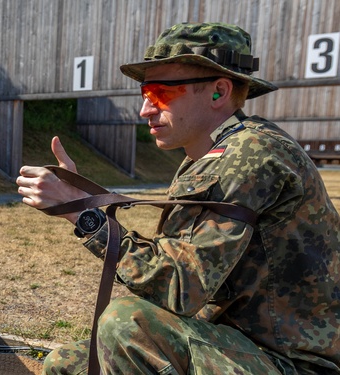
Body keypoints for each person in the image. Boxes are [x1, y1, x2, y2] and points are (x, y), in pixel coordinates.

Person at [17, 22, 340, 374]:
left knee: (127, 325)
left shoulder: (248, 154)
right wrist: (80, 199)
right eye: (145, 94)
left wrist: (81, 213)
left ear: (219, 91)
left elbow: (179, 287)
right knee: (67, 365)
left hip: (289, 363)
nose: (146, 109)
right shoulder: (217, 151)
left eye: (161, 93)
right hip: (238, 342)